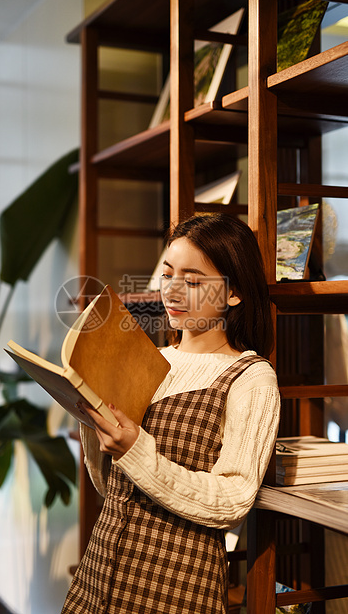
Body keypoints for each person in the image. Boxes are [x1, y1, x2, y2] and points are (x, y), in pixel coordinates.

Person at [61, 213, 280, 614]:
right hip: (99, 576)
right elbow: (112, 491)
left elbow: (234, 500)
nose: (173, 292)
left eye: (193, 281)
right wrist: (92, 422)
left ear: (234, 292)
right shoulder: (149, 360)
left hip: (176, 584)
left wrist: (136, 450)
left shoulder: (251, 378)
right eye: (166, 274)